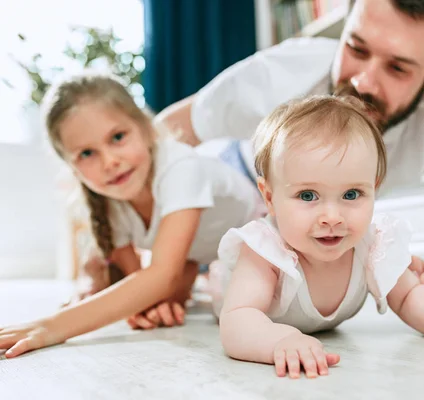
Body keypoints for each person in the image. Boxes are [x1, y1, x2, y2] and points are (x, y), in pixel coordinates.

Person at [156, 0, 424, 320]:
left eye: (397, 68)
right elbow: (161, 135)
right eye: (356, 48)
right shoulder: (280, 72)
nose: (363, 82)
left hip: (309, 229)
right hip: (231, 179)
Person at [211, 95, 424, 379]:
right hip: (232, 288)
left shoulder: (372, 244)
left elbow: (408, 294)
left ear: (374, 189)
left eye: (351, 194)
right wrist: (278, 340)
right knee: (218, 283)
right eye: (308, 195)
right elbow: (236, 320)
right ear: (270, 198)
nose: (332, 216)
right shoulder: (266, 251)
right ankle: (208, 278)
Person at [0, 71, 262, 358]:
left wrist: (49, 327)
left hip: (254, 212)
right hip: (196, 249)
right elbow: (144, 284)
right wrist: (152, 305)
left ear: (146, 128)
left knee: (242, 295)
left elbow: (161, 275)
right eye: (87, 154)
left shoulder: (181, 167)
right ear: (71, 167)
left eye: (118, 137)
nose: (110, 161)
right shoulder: (110, 204)